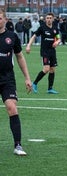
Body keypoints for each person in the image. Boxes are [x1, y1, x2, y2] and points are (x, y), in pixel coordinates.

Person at [0, 8, 32, 156]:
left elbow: (19, 57)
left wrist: (27, 78)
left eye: (0, 18)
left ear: (5, 20)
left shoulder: (12, 37)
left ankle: (18, 145)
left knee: (12, 108)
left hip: (7, 79)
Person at [26, 12, 61, 94]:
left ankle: (50, 89)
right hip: (45, 52)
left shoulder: (55, 28)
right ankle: (34, 83)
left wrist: (57, 42)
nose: (48, 19)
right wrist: (28, 46)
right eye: (47, 18)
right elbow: (34, 36)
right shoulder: (42, 28)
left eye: (50, 18)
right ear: (45, 19)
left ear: (53, 19)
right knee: (46, 69)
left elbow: (58, 38)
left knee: (52, 70)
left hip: (52, 52)